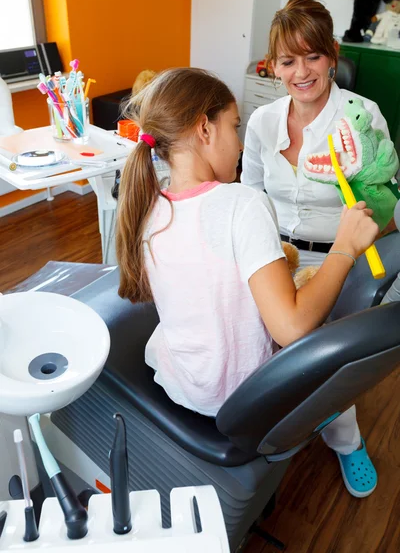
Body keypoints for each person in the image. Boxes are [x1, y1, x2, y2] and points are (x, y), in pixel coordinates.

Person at [116, 67, 379, 497]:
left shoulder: (147, 206)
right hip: (241, 399)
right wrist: (345, 246)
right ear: (205, 127)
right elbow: (290, 327)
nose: (239, 143)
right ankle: (340, 432)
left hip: (183, 384)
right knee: (331, 344)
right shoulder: (242, 203)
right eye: (234, 126)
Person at [241, 0, 394, 270]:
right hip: (271, 254)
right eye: (288, 62)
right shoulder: (261, 121)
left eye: (313, 57)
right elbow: (250, 195)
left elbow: (384, 207)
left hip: (341, 259)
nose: (301, 72)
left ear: (333, 53)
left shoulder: (363, 117)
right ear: (273, 65)